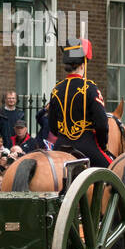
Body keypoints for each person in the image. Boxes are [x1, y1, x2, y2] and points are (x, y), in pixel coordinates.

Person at [47, 38, 112, 167]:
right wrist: (103, 145)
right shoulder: (90, 88)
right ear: (83, 65)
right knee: (113, 172)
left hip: (60, 146)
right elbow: (102, 125)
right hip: (85, 147)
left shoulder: (56, 90)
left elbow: (53, 127)